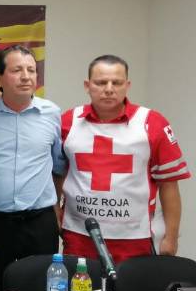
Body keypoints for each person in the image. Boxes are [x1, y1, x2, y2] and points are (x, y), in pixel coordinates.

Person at [59, 55, 190, 262]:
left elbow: (169, 184)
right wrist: (55, 215)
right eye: (101, 82)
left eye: (117, 82)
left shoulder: (152, 123)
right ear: (87, 85)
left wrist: (171, 237)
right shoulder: (68, 122)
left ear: (127, 85)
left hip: (136, 241)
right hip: (79, 237)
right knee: (80, 284)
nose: (109, 89)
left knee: (133, 285)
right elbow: (57, 174)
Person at [0, 45, 65, 291]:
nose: (26, 76)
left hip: (39, 221)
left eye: (31, 70)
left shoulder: (52, 113)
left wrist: (56, 206)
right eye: (17, 70)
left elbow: (58, 165)